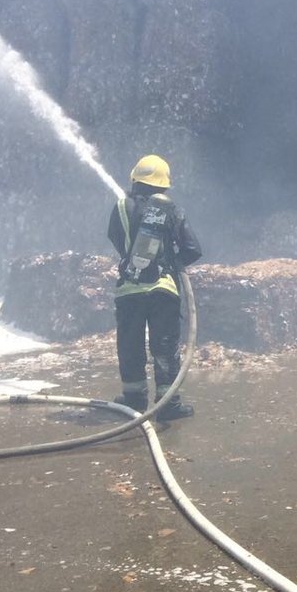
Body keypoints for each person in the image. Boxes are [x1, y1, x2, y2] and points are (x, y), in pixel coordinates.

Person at [108, 154, 202, 420]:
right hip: (163, 290)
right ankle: (168, 405)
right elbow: (193, 249)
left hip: (129, 290)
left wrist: (135, 261)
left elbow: (117, 240)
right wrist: (170, 263)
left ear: (135, 179)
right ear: (163, 184)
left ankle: (134, 400)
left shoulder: (120, 206)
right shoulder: (170, 209)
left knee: (129, 344)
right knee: (164, 345)